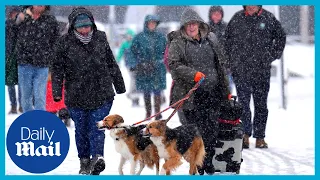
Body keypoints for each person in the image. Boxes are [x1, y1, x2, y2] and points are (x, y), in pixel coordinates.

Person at [51, 7, 126, 175]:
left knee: (97, 126)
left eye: (88, 26)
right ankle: (84, 161)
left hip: (102, 92)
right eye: (81, 27)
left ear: (92, 24)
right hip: (76, 95)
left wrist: (119, 85)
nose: (85, 30)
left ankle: (98, 158)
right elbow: (57, 69)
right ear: (73, 27)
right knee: (82, 129)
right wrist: (57, 92)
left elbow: (110, 62)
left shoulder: (100, 38)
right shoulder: (64, 42)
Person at [168, 8, 230, 175]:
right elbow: (174, 66)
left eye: (193, 24)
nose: (191, 27)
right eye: (188, 25)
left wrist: (226, 90)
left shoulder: (211, 39)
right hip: (191, 96)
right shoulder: (178, 42)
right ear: (183, 26)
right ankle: (196, 163)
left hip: (213, 93)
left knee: (211, 130)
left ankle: (207, 161)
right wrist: (193, 74)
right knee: (195, 132)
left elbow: (221, 66)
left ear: (199, 24)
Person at [225, 5, 286, 149]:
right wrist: (231, 61)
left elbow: (281, 37)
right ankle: (245, 135)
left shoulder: (269, 18)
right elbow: (226, 41)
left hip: (261, 71)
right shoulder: (237, 18)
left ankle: (260, 137)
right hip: (241, 71)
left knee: (261, 105)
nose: (251, 6)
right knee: (243, 105)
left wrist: (272, 55)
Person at [15, 5, 59, 112]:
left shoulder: (50, 20)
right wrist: (18, 20)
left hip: (42, 65)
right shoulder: (22, 17)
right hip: (24, 64)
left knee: (39, 96)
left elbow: (56, 42)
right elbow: (11, 35)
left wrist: (51, 59)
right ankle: (29, 121)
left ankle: (40, 121)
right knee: (25, 97)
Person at [130, 15, 167, 120]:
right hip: (144, 69)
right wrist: (136, 64)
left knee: (157, 91)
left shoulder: (161, 37)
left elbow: (167, 53)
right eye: (150, 23)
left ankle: (157, 113)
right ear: (146, 24)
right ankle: (148, 113)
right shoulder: (139, 37)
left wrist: (162, 63)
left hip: (158, 69)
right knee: (146, 91)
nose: (152, 25)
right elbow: (131, 52)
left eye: (154, 23)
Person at [208, 5, 234, 93]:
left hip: (225, 65)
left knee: (227, 89)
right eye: (214, 14)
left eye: (218, 14)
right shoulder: (205, 28)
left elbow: (232, 46)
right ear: (210, 15)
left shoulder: (227, 27)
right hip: (209, 66)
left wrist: (229, 62)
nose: (216, 16)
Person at [116, 29, 140, 107]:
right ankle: (133, 96)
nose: (129, 37)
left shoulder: (136, 44)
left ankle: (133, 95)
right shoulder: (124, 44)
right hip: (129, 66)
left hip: (137, 65)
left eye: (131, 36)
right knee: (133, 81)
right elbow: (120, 53)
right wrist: (117, 61)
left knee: (136, 81)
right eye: (128, 36)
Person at [5, 7, 22, 114]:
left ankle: (21, 105)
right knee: (10, 83)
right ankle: (14, 105)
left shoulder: (22, 25)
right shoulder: (7, 25)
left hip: (20, 57)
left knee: (22, 83)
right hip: (9, 56)